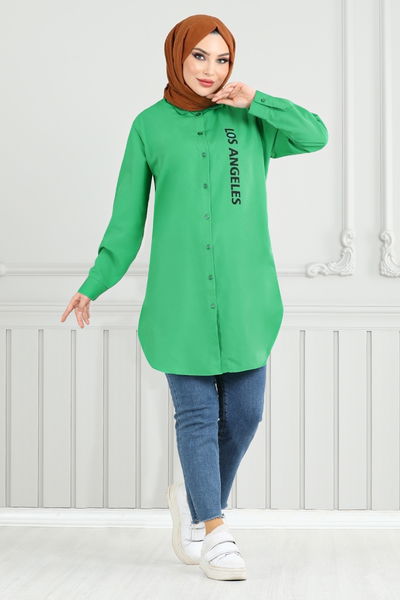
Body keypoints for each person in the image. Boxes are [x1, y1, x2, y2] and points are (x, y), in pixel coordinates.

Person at [60, 14, 328, 581]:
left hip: (247, 299)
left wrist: (256, 99)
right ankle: (215, 532)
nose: (211, 70)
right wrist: (93, 283)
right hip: (179, 303)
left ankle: (198, 499)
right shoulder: (148, 127)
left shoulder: (250, 121)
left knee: (247, 414)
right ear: (177, 56)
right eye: (200, 56)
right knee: (197, 417)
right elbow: (127, 220)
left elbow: (315, 135)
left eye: (222, 58)